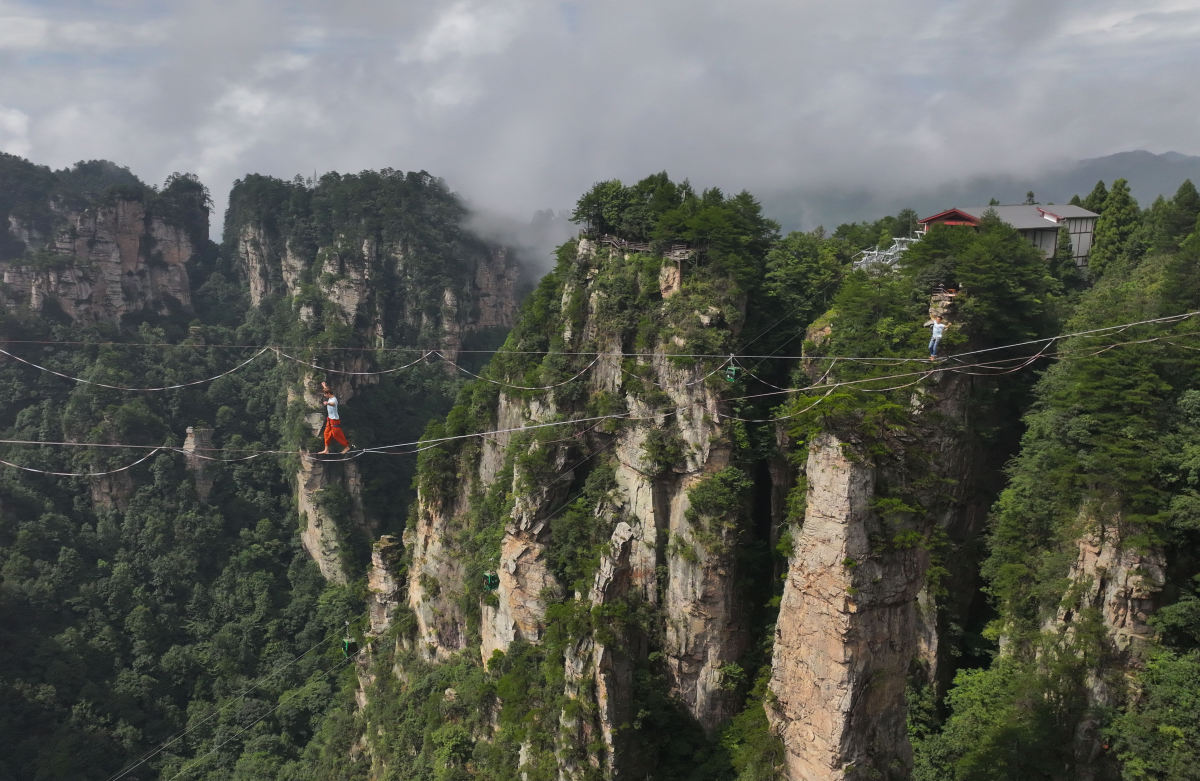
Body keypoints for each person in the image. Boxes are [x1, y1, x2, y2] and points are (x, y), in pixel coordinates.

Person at [318, 382, 352, 454]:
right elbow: (327, 390)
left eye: (325, 394)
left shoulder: (334, 400)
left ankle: (347, 446)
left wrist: (327, 403)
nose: (324, 396)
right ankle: (326, 450)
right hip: (329, 419)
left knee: (336, 434)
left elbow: (333, 404)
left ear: (329, 394)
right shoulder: (329, 395)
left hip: (334, 420)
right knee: (326, 433)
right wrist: (324, 386)